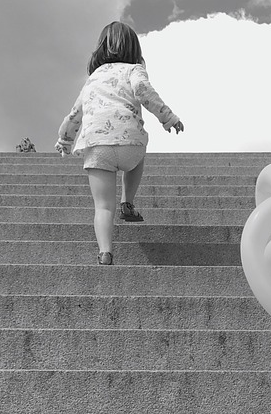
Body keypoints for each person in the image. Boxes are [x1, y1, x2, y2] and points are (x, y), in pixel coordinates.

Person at [55, 21, 185, 266]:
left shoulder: (92, 79)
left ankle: (105, 253)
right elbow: (145, 92)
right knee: (138, 155)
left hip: (97, 147)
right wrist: (168, 118)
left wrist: (65, 139)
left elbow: (75, 113)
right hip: (129, 144)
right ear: (134, 48)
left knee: (103, 207)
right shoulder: (134, 70)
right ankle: (128, 201)